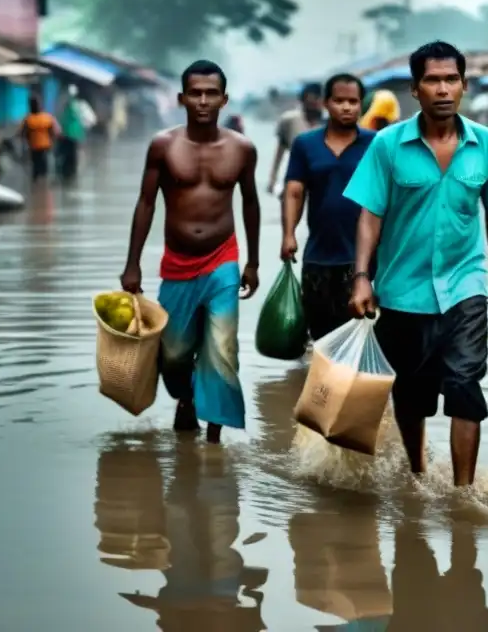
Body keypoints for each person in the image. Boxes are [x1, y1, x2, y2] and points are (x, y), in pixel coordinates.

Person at [345, 41, 488, 488]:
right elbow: (370, 214)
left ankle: (463, 494)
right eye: (432, 80)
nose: (443, 89)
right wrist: (362, 276)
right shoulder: (387, 145)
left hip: (466, 286)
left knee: (464, 384)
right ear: (415, 89)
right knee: (410, 393)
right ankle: (417, 473)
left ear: (463, 86)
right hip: (402, 290)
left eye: (451, 79)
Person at [120, 60, 260, 444]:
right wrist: (132, 264)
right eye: (195, 93)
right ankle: (186, 398)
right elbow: (146, 202)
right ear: (181, 97)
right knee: (174, 352)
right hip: (177, 262)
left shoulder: (242, 148)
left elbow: (250, 202)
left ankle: (213, 439)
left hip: (223, 258)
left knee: (222, 347)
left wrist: (253, 261)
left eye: (211, 93)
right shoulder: (163, 145)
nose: (203, 100)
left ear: (224, 99)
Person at [281, 73, 375, 340]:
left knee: (361, 333)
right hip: (318, 256)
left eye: (353, 101)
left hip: (364, 259)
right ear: (325, 103)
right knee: (321, 336)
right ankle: (323, 382)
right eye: (339, 100)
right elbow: (294, 191)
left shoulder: (376, 144)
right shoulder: (305, 144)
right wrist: (288, 234)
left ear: (361, 105)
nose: (346, 107)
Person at [266, 82, 323, 194]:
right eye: (309, 100)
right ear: (302, 100)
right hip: (295, 178)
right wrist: (273, 178)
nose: (313, 104)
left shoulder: (329, 122)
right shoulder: (290, 120)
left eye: (316, 99)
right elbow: (280, 151)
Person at [21, 96, 59, 182]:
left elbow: (23, 134)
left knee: (36, 168)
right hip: (45, 146)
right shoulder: (47, 118)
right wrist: (53, 141)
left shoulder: (28, 119)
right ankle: (42, 187)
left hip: (34, 146)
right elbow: (54, 132)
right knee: (44, 167)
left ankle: (37, 187)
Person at [57, 86, 87, 181]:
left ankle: (68, 176)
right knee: (69, 158)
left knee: (69, 158)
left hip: (70, 136)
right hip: (69, 136)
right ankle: (69, 177)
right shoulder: (74, 106)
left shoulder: (74, 106)